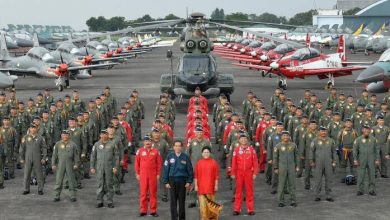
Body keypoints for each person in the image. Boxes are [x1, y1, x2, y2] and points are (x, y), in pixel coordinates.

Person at [162, 140, 194, 220]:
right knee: (173, 202)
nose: (177, 147)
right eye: (176, 146)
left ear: (182, 147)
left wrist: (189, 181)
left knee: (181, 201)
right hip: (172, 181)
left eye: (179, 146)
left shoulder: (185, 157)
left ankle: (182, 218)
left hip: (182, 181)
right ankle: (174, 218)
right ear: (173, 147)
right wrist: (165, 181)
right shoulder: (170, 156)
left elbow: (190, 169)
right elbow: (165, 169)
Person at [90, 129, 119, 208]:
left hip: (109, 167)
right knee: (100, 184)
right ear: (100, 135)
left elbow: (116, 157)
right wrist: (92, 167)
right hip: (99, 167)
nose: (103, 136)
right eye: (102, 134)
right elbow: (93, 156)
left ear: (107, 135)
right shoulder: (96, 144)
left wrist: (115, 167)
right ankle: (99, 201)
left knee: (109, 184)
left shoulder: (112, 144)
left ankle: (110, 201)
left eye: (105, 134)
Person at [135, 135, 162, 217]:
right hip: (143, 175)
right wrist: (137, 173)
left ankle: (153, 211)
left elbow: (159, 163)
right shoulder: (139, 151)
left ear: (151, 142)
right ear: (144, 142)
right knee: (143, 193)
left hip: (153, 175)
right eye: (146, 141)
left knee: (153, 193)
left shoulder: (156, 151)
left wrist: (158, 174)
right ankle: (143, 210)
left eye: (149, 141)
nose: (147, 142)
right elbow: (137, 163)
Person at [231, 134, 257, 216]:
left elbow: (255, 162)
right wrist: (232, 173)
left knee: (249, 191)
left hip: (249, 173)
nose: (243, 140)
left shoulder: (252, 150)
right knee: (238, 191)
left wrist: (255, 173)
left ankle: (250, 209)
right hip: (239, 173)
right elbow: (234, 162)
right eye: (242, 139)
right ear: (239, 140)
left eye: (245, 139)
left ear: (247, 140)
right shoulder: (236, 150)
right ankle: (237, 209)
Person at [309, 127, 337, 202]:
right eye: (322, 131)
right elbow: (311, 151)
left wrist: (334, 161)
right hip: (318, 163)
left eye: (325, 131)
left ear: (327, 132)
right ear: (319, 132)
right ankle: (317, 195)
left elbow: (334, 152)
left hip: (328, 162)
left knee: (329, 179)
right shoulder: (315, 141)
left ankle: (329, 195)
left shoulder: (331, 141)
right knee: (317, 179)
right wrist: (311, 160)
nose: (323, 133)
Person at [19, 123, 47, 195]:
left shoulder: (40, 138)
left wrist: (44, 158)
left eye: (34, 128)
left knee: (39, 174)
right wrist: (21, 158)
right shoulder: (25, 137)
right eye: (32, 128)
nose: (33, 129)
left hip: (37, 157)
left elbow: (44, 148)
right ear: (30, 129)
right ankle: (26, 189)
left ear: (37, 129)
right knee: (27, 174)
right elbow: (22, 148)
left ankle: (40, 189)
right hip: (27, 157)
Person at [52, 130, 79, 202]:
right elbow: (54, 155)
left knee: (71, 180)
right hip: (60, 164)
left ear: (69, 136)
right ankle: (56, 196)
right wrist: (53, 164)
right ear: (61, 136)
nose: (65, 136)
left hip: (70, 164)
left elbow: (76, 156)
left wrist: (76, 164)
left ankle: (73, 196)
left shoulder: (73, 144)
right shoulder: (57, 144)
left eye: (66, 135)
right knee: (58, 180)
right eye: (63, 135)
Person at [273, 131, 299, 207]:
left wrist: (297, 166)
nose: (285, 137)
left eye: (287, 136)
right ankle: (280, 201)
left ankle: (293, 200)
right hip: (282, 167)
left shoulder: (293, 145)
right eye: (284, 136)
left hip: (291, 166)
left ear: (289, 137)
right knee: (281, 184)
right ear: (281, 137)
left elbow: (296, 156)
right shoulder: (278, 146)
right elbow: (275, 157)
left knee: (292, 184)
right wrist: (275, 167)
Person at [353, 125, 380, 196]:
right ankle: (360, 190)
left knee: (372, 175)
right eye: (365, 129)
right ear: (362, 130)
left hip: (372, 159)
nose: (366, 131)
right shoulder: (358, 139)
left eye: (368, 129)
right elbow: (355, 150)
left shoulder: (374, 139)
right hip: (361, 159)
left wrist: (377, 159)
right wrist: (355, 160)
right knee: (361, 175)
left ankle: (372, 190)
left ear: (370, 130)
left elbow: (377, 150)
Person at [194, 146, 220, 220]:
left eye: (207, 152)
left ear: (210, 153)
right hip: (202, 189)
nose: (206, 154)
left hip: (211, 188)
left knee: (211, 206)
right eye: (204, 152)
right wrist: (196, 185)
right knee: (203, 207)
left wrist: (216, 185)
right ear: (202, 154)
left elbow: (216, 176)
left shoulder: (214, 163)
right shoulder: (199, 163)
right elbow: (196, 176)